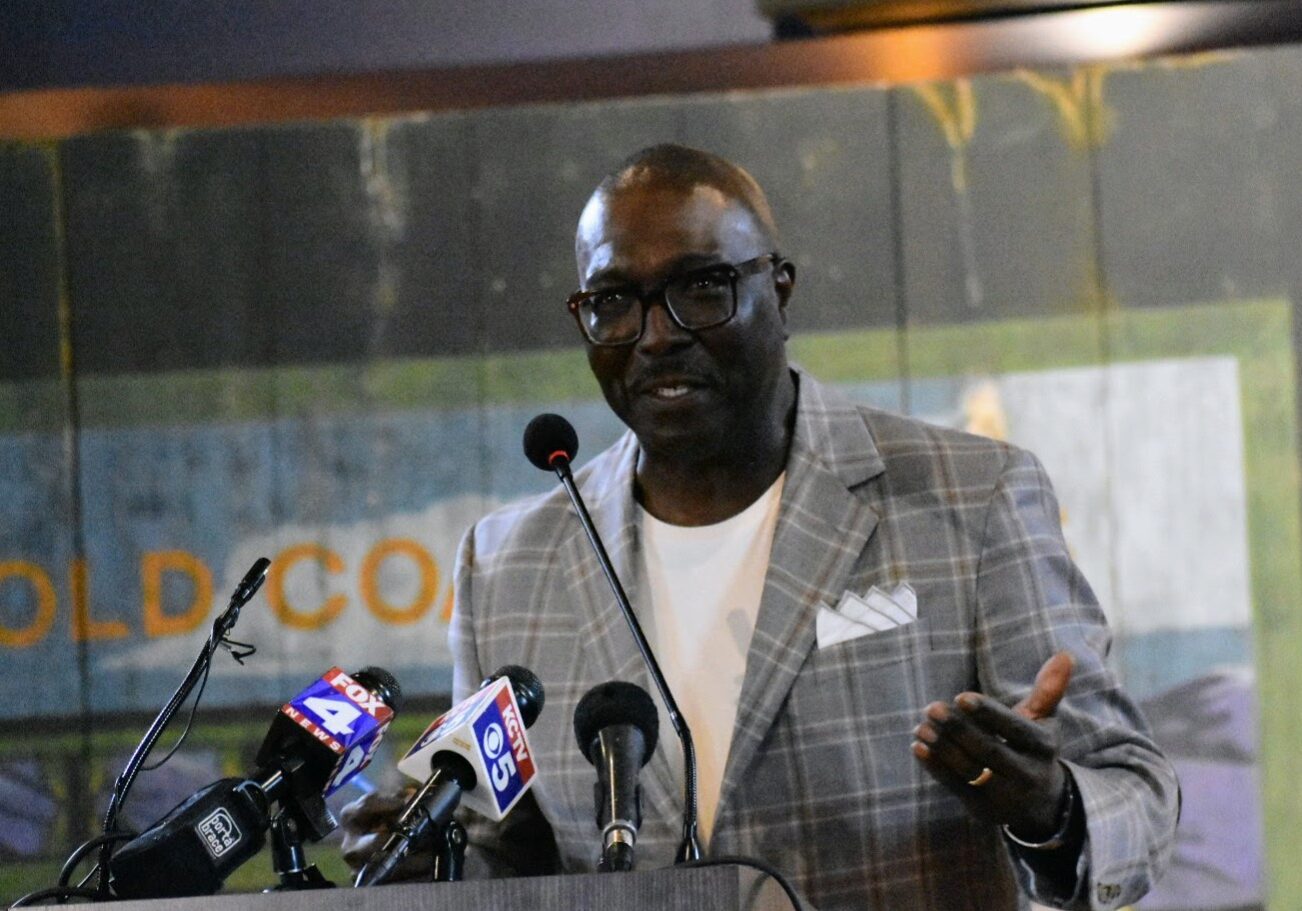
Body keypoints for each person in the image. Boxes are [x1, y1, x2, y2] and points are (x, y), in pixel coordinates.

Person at [342, 144, 1179, 910]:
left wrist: (1053, 808)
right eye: (614, 303)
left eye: (700, 287)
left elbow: (1133, 798)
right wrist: (434, 859)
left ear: (778, 288)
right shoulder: (508, 566)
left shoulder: (973, 496)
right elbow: (509, 861)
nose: (657, 336)